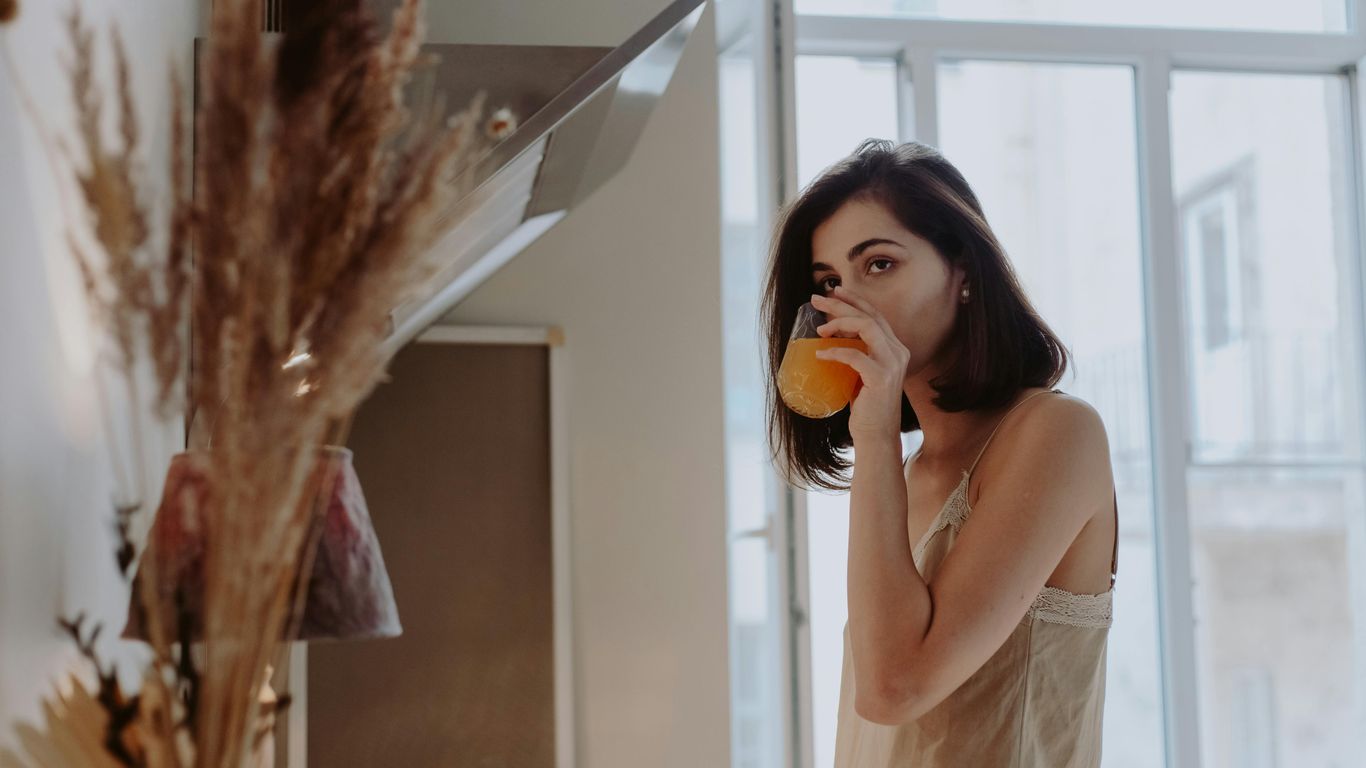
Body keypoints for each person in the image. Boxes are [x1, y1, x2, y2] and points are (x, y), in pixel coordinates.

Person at [761, 139, 1118, 766]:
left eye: (878, 265)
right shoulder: (902, 473)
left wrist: (872, 435)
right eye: (829, 282)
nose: (848, 304)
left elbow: (894, 689)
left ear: (964, 275)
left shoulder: (1059, 432)